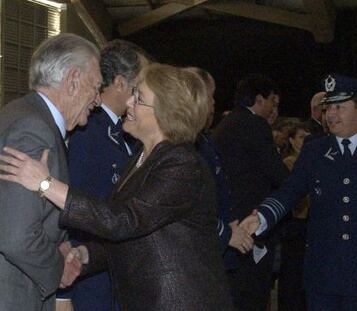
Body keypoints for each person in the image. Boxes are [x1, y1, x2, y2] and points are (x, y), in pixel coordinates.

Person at [0, 63, 233, 311]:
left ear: (165, 112)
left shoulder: (182, 164)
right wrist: (86, 255)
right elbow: (135, 235)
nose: (129, 103)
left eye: (139, 98)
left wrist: (45, 184)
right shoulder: (143, 157)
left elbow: (124, 221)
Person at [241, 74, 357, 311]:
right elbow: (289, 192)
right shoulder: (315, 151)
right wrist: (261, 216)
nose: (331, 114)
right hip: (323, 272)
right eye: (328, 107)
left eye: (339, 107)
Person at [0, 33, 101, 311]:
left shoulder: (24, 114)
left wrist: (62, 245)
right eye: (96, 86)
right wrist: (58, 269)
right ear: (72, 80)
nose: (97, 99)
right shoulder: (32, 129)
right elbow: (16, 235)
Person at [59, 39, 150, 311]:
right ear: (121, 83)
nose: (143, 93)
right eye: (140, 85)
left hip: (114, 277)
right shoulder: (89, 132)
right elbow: (71, 210)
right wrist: (65, 292)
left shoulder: (124, 135)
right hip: (89, 282)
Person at [212, 74, 288, 310]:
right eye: (272, 102)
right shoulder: (254, 124)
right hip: (252, 223)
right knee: (253, 293)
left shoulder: (227, 123)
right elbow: (277, 173)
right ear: (259, 100)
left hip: (230, 221)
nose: (274, 109)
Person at [189, 67, 254, 267]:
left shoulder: (203, 141)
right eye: (210, 95)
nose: (213, 102)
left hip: (218, 245)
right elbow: (189, 206)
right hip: (202, 252)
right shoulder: (186, 145)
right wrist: (224, 232)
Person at [277, 122, 310, 311]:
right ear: (291, 140)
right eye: (301, 137)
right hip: (295, 224)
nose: (305, 141)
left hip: (305, 223)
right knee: (292, 275)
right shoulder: (290, 162)